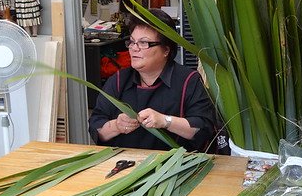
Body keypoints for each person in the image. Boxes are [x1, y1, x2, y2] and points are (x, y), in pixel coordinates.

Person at [88, 9, 217, 152]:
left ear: (166, 50)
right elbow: (96, 126)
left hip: (174, 167)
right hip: (126, 165)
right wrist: (116, 126)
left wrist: (165, 121)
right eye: (132, 42)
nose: (134, 49)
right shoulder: (119, 80)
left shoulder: (188, 81)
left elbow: (203, 128)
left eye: (143, 43)